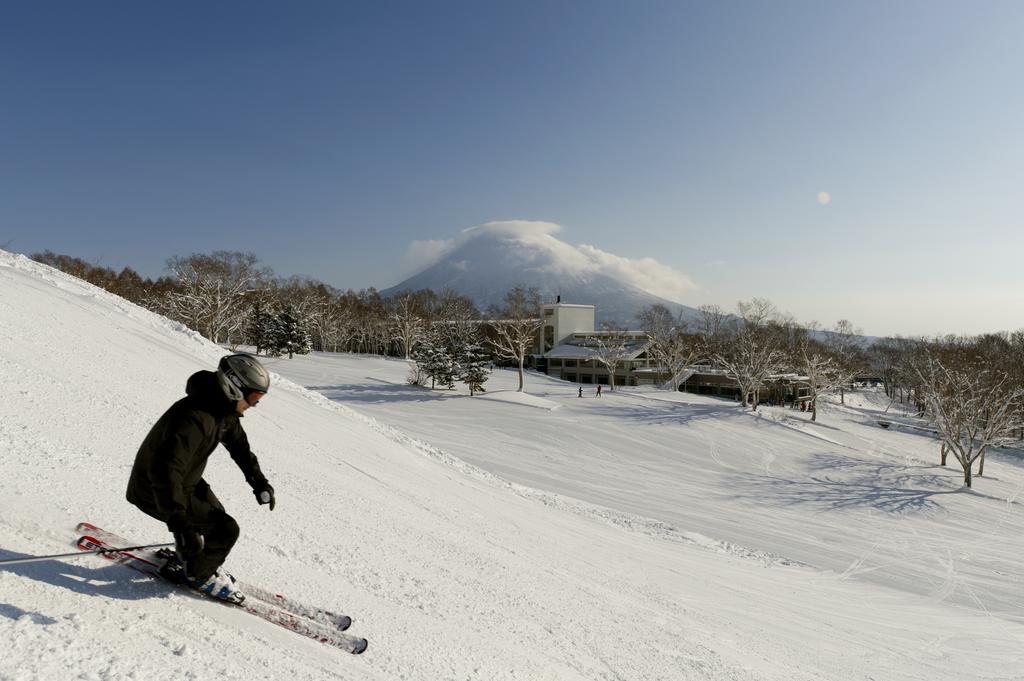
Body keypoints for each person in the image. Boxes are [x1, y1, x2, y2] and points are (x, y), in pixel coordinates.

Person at [126, 353, 275, 602]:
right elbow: (165, 470)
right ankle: (196, 574)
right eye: (254, 397)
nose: (255, 404)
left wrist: (258, 481)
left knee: (216, 515)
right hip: (155, 489)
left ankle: (194, 560)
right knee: (226, 530)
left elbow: (239, 446)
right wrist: (180, 525)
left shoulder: (221, 410)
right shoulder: (194, 418)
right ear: (234, 387)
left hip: (184, 482)